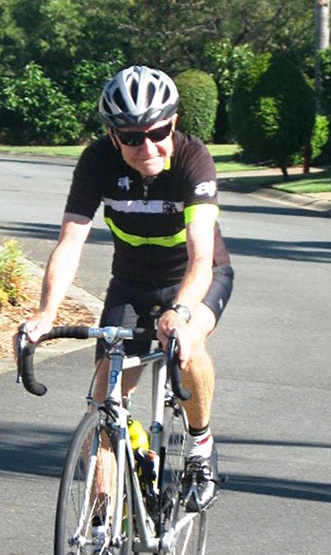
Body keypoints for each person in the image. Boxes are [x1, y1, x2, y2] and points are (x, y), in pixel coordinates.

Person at [19, 65, 234, 510]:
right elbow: (70, 241)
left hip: (195, 278)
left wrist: (180, 309)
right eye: (131, 137)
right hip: (132, 285)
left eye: (157, 132)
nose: (146, 146)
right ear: (113, 136)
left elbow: (200, 259)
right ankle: (100, 528)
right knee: (104, 403)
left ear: (173, 123)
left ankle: (200, 446)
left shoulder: (194, 160)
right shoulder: (97, 161)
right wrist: (45, 313)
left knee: (186, 340)